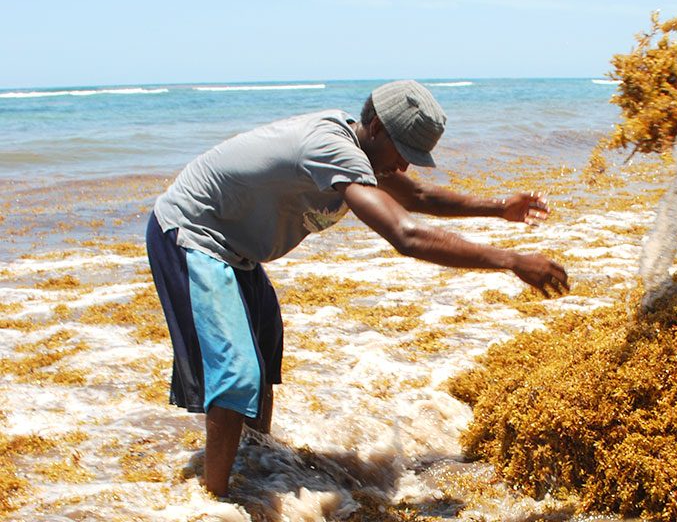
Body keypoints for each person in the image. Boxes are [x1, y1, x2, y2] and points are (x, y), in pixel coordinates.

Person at [145, 80, 569, 497]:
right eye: (403, 153)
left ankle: (257, 466)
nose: (403, 167)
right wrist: (511, 260)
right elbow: (407, 235)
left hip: (238, 251)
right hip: (193, 235)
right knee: (238, 375)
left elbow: (419, 196)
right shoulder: (331, 148)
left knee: (264, 357)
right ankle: (215, 500)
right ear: (378, 127)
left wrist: (500, 208)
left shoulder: (364, 153)